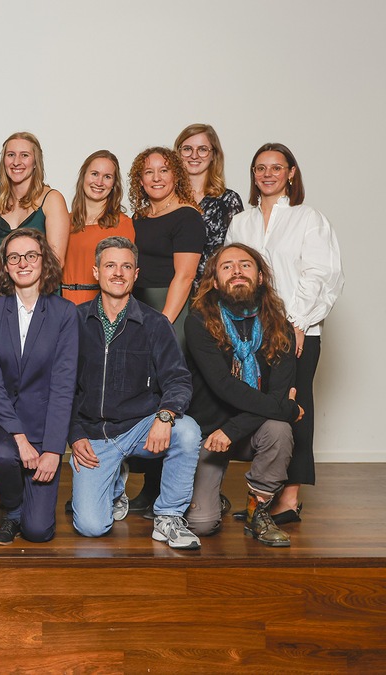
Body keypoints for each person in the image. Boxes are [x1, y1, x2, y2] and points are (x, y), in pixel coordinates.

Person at [225, 142, 343, 523]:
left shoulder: (308, 218)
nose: (268, 174)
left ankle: (289, 499)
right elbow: (231, 274)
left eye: (277, 167)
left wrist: (295, 323)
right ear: (253, 174)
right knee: (260, 407)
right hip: (250, 332)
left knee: (295, 406)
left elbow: (320, 274)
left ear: (291, 173)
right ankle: (263, 495)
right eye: (261, 168)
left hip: (297, 329)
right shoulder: (240, 222)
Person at [68, 236, 202, 550]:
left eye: (126, 266)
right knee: (91, 527)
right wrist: (74, 434)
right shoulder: (74, 321)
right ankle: (115, 484)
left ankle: (169, 517)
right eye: (110, 266)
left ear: (136, 274)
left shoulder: (155, 324)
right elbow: (61, 388)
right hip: (94, 436)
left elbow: (178, 380)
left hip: (140, 427)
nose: (118, 273)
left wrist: (165, 416)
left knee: (187, 431)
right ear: (96, 272)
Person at [184, 244, 303, 546]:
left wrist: (235, 429)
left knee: (279, 429)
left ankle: (256, 510)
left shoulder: (281, 328)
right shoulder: (198, 322)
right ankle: (214, 500)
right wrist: (288, 408)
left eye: (245, 264)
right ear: (214, 281)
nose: (237, 271)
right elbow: (224, 386)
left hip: (245, 432)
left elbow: (278, 395)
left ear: (260, 277)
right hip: (210, 433)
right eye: (227, 267)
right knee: (201, 524)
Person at [0, 229, 78, 545]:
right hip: (2, 422)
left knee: (38, 532)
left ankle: (27, 513)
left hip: (44, 424)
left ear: (43, 261)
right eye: (14, 257)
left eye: (31, 255)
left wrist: (53, 450)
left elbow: (64, 386)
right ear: (5, 266)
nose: (23, 263)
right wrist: (19, 439)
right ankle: (12, 510)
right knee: (2, 456)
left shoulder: (64, 312)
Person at [125, 147, 205, 513]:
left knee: (168, 393)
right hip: (138, 308)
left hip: (170, 309)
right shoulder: (139, 218)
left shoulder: (188, 216)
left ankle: (167, 489)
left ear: (176, 175)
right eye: (149, 172)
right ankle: (149, 484)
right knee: (142, 393)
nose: (156, 177)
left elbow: (184, 276)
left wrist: (163, 323)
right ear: (139, 180)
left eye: (164, 170)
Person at [174, 123, 243, 287]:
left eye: (203, 149)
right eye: (187, 149)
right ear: (178, 154)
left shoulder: (229, 200)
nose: (194, 155)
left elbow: (238, 253)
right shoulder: (167, 199)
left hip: (215, 291)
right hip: (173, 291)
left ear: (214, 155)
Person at [63, 150, 134, 305]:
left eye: (107, 177)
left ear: (114, 184)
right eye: (95, 174)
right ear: (83, 177)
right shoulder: (63, 221)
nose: (99, 182)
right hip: (62, 304)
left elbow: (124, 277)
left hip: (100, 305)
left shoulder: (122, 224)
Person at [0, 132, 69, 262]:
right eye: (11, 155)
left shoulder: (52, 200)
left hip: (42, 276)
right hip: (0, 276)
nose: (16, 162)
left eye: (24, 155)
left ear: (36, 162)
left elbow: (57, 261)